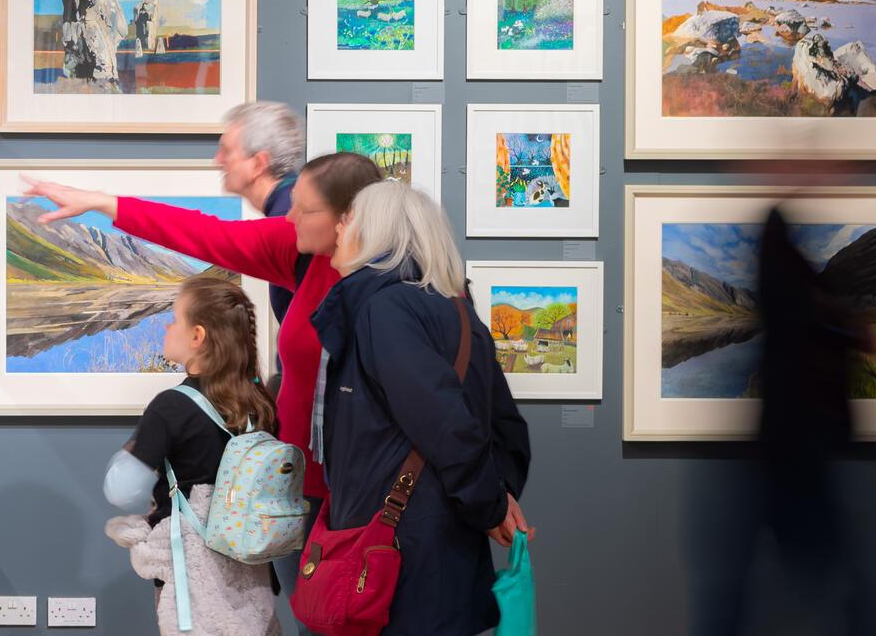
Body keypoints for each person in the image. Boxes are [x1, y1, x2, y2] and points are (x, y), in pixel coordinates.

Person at [27, 152, 382, 627]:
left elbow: (123, 486)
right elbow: (207, 234)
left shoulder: (395, 280)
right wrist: (102, 203)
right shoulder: (298, 252)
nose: (289, 216)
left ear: (348, 217)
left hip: (367, 488)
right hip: (295, 497)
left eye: (304, 207)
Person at [311, 180, 532, 635]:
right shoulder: (459, 312)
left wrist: (491, 507)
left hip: (399, 554)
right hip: (441, 545)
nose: (338, 228)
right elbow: (506, 428)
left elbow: (447, 424)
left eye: (349, 218)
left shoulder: (384, 310)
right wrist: (495, 498)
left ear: (376, 232)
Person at [102, 277, 282, 635]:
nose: (166, 328)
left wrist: (133, 451)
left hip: (194, 579)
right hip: (251, 576)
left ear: (197, 336)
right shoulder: (259, 404)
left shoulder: (171, 407)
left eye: (174, 320)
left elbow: (121, 489)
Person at [213, 101, 307, 324]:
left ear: (258, 164)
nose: (217, 160)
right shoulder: (293, 204)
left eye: (226, 151)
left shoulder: (288, 219)